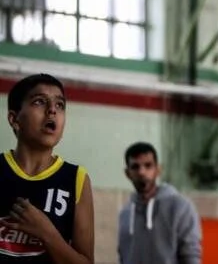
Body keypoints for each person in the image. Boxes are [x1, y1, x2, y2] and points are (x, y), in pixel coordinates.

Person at [0, 73, 94, 263]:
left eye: (60, 105)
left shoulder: (76, 179)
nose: (52, 110)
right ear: (14, 119)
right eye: (39, 102)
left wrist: (47, 233)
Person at [117, 142, 201, 264]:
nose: (142, 172)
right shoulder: (125, 214)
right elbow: (123, 257)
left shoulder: (180, 207)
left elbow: (191, 256)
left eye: (148, 166)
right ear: (127, 173)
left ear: (158, 170)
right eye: (135, 167)